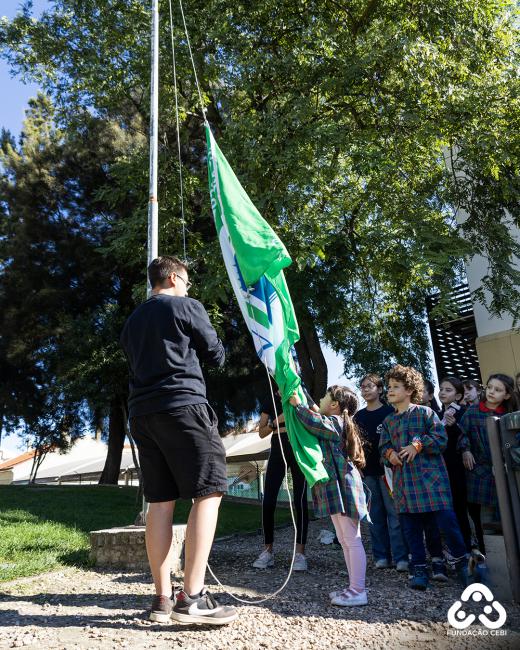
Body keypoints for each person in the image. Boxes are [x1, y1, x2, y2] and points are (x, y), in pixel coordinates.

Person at [120, 256, 237, 625]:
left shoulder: (131, 322)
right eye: (186, 282)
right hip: (184, 407)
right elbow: (215, 355)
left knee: (159, 502)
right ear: (173, 278)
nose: (188, 288)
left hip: (142, 415)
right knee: (209, 491)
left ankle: (162, 599)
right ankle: (194, 597)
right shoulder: (187, 306)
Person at [379, 365, 469, 591]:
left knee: (448, 524)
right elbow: (383, 447)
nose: (389, 390)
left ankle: (463, 565)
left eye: (395, 387)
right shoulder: (389, 421)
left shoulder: (425, 413)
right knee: (410, 529)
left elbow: (440, 439)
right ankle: (418, 568)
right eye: (389, 387)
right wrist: (390, 454)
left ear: (409, 390)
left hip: (432, 483)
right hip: (405, 485)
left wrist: (417, 445)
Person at [289, 385, 369, 607]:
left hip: (344, 487)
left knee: (351, 540)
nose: (321, 399)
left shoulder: (334, 423)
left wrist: (299, 405)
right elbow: (317, 415)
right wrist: (305, 395)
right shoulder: (337, 421)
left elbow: (314, 422)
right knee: (345, 540)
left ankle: (358, 590)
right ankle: (354, 587)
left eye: (325, 396)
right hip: (338, 489)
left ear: (334, 405)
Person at [252, 383, 309, 571]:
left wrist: (297, 406)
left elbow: (314, 415)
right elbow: (261, 432)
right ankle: (267, 551)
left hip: (298, 447)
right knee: (268, 501)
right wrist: (276, 422)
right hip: (277, 449)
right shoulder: (270, 398)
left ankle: (300, 554)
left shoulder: (300, 392)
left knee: (300, 501)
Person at [354, 374, 408, 572]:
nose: (366, 389)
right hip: (367, 472)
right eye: (363, 387)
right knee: (374, 516)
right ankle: (381, 556)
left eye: (370, 386)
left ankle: (401, 557)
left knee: (394, 514)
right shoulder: (358, 416)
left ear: (379, 389)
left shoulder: (389, 412)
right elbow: (355, 444)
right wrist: (357, 465)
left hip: (389, 471)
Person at [458, 373, 515, 555]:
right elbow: (462, 435)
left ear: (506, 395)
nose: (492, 392)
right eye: (490, 387)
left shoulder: (509, 415)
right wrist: (465, 449)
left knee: (509, 515)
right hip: (480, 473)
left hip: (505, 473)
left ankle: (511, 554)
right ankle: (488, 555)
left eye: (498, 390)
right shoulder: (472, 412)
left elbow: (513, 442)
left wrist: (505, 461)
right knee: (484, 519)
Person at [438, 377, 472, 552]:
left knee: (460, 509)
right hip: (440, 468)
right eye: (441, 389)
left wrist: (455, 427)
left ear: (458, 395)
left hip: (459, 468)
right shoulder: (435, 414)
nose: (443, 392)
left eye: (448, 390)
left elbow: (467, 436)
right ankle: (450, 549)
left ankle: (466, 548)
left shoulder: (464, 412)